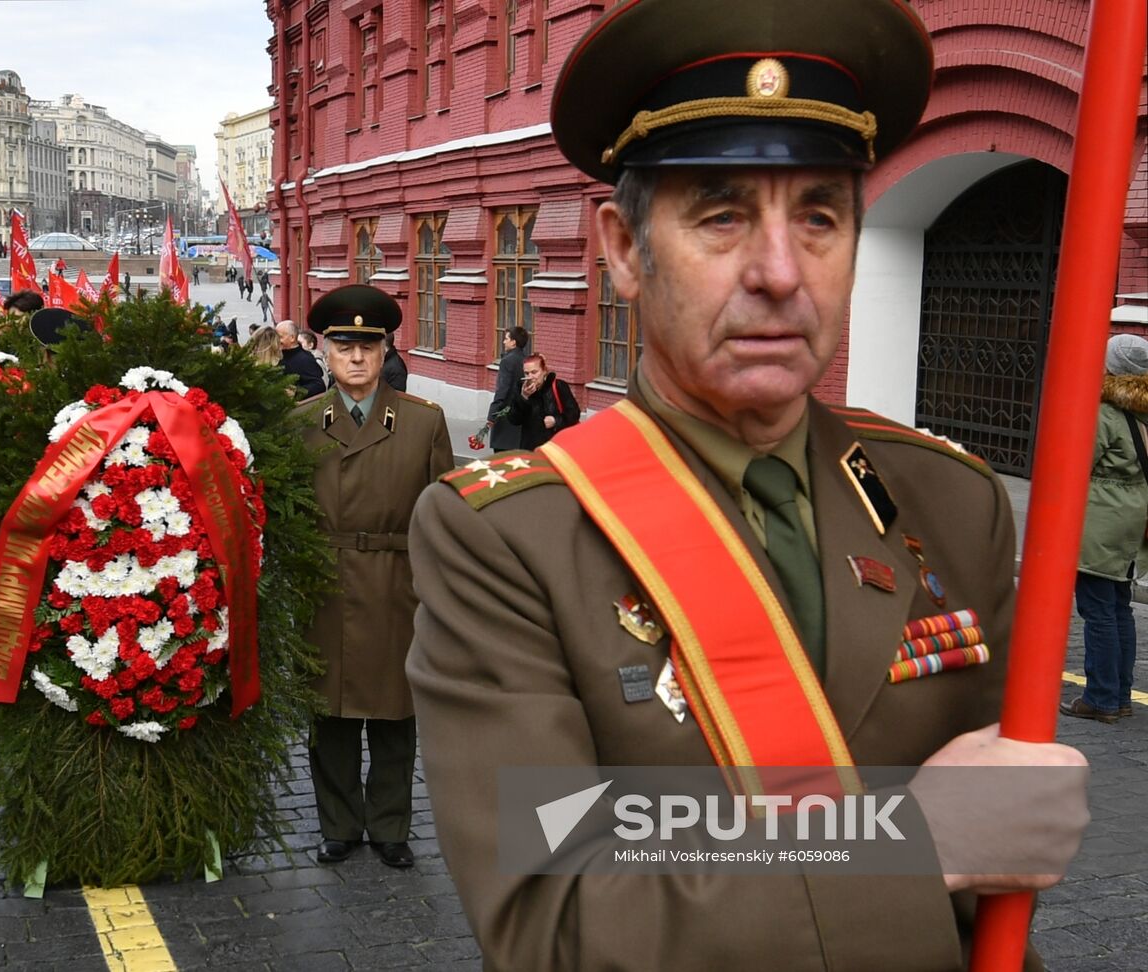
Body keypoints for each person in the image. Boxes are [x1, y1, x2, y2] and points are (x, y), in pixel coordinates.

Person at [405, 1, 1089, 967]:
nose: (780, 271)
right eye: (721, 214)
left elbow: (1000, 889)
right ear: (623, 250)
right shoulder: (509, 540)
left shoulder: (952, 501)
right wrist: (913, 843)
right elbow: (551, 920)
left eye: (820, 215)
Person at [297, 283, 454, 869]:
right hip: (327, 589)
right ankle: (338, 823)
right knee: (330, 719)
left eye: (368, 345)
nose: (357, 357)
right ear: (325, 351)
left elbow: (443, 520)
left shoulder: (422, 423)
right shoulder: (301, 423)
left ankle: (390, 826)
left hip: (397, 588)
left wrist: (439, 601)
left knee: (395, 717)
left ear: (387, 350)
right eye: (344, 346)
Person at [1061, 333, 1148, 725]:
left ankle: (1101, 698)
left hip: (1101, 520)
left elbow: (1076, 464)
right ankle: (1121, 694)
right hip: (1135, 520)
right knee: (1119, 608)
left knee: (1097, 610)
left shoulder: (1104, 413)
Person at [506, 353, 580, 449]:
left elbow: (574, 413)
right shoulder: (521, 387)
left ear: (544, 371)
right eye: (526, 373)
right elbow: (514, 419)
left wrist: (555, 421)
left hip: (555, 446)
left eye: (534, 372)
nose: (530, 377)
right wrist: (524, 397)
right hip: (531, 448)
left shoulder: (558, 386)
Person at [485, 326, 528, 452]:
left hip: (506, 419)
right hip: (521, 417)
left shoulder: (507, 361)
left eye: (506, 339)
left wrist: (492, 416)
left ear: (513, 342)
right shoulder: (526, 360)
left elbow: (502, 390)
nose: (504, 342)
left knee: (502, 460)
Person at [276, 319, 326, 399]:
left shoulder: (305, 359)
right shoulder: (278, 355)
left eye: (280, 337)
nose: (277, 341)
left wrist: (297, 392)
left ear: (292, 338)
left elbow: (319, 385)